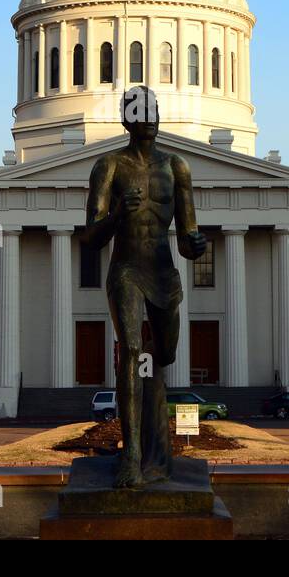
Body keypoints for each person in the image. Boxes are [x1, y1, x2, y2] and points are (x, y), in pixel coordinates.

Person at [83, 87, 208, 488]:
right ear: (126, 120)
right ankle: (133, 456)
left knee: (163, 356)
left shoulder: (177, 167)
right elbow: (91, 236)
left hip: (164, 272)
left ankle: (156, 448)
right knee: (133, 352)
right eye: (140, 111)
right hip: (127, 269)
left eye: (153, 110)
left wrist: (196, 244)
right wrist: (119, 213)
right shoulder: (109, 166)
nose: (149, 117)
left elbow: (187, 238)